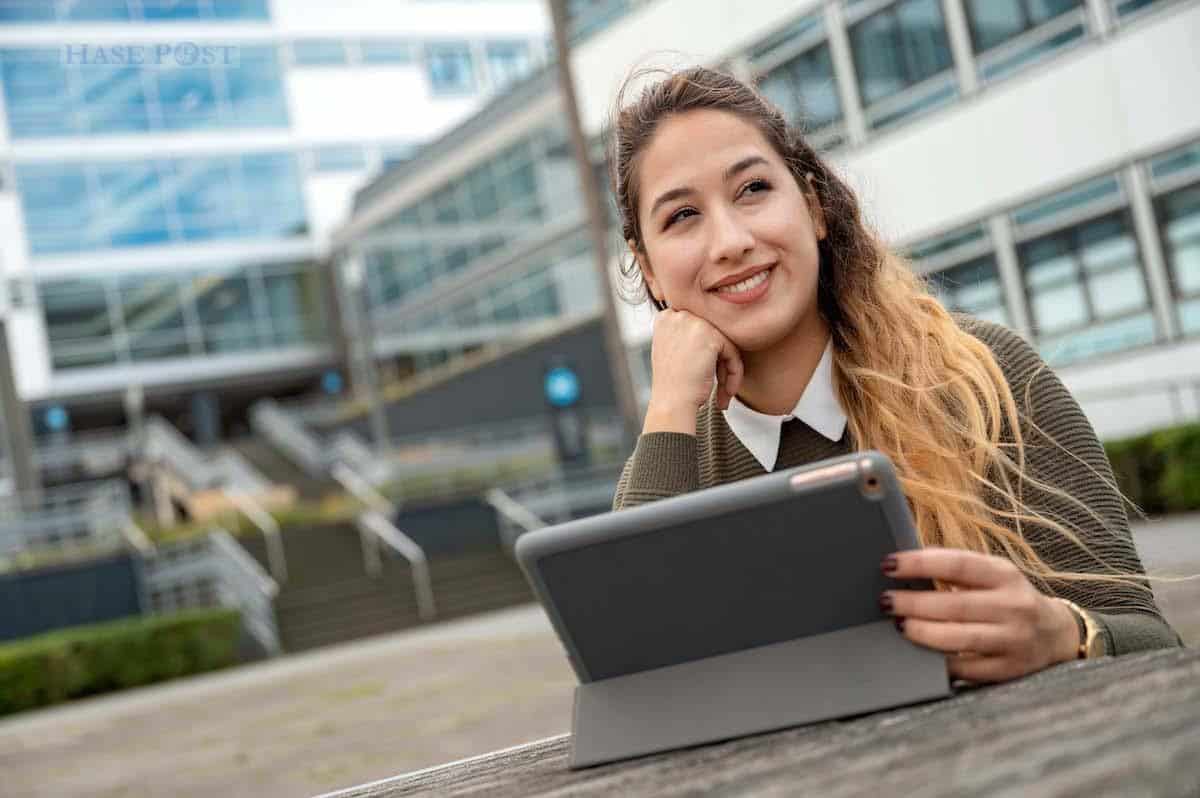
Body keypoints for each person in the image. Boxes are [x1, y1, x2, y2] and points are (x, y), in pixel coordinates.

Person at [607, 66, 1182, 684]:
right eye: (682, 216)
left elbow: (1154, 643)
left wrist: (1065, 634)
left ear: (813, 206)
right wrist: (667, 407)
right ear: (650, 270)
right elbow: (624, 671)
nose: (730, 241)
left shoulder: (987, 378)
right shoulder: (671, 455)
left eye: (751, 189)